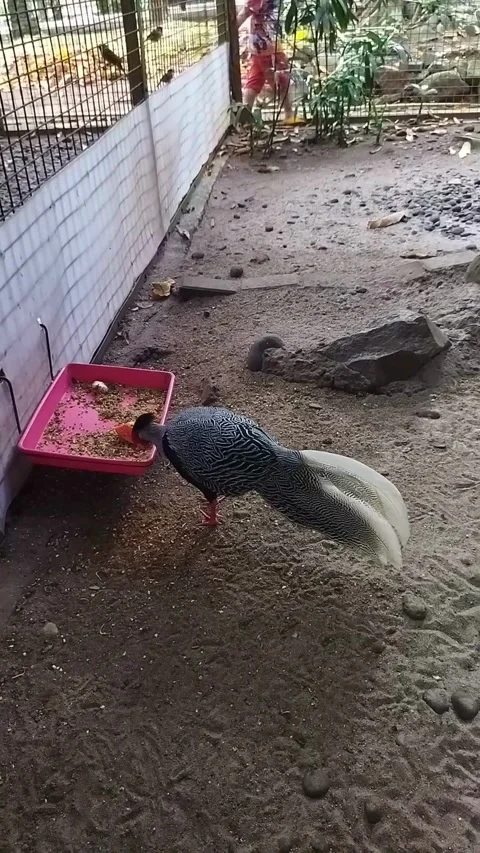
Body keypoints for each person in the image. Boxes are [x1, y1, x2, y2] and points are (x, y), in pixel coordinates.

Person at [236, 0, 296, 123]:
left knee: (254, 81)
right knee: (280, 80)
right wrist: (231, 28)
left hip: (260, 47)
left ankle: (245, 116)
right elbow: (244, 14)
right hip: (268, 47)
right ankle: (289, 114)